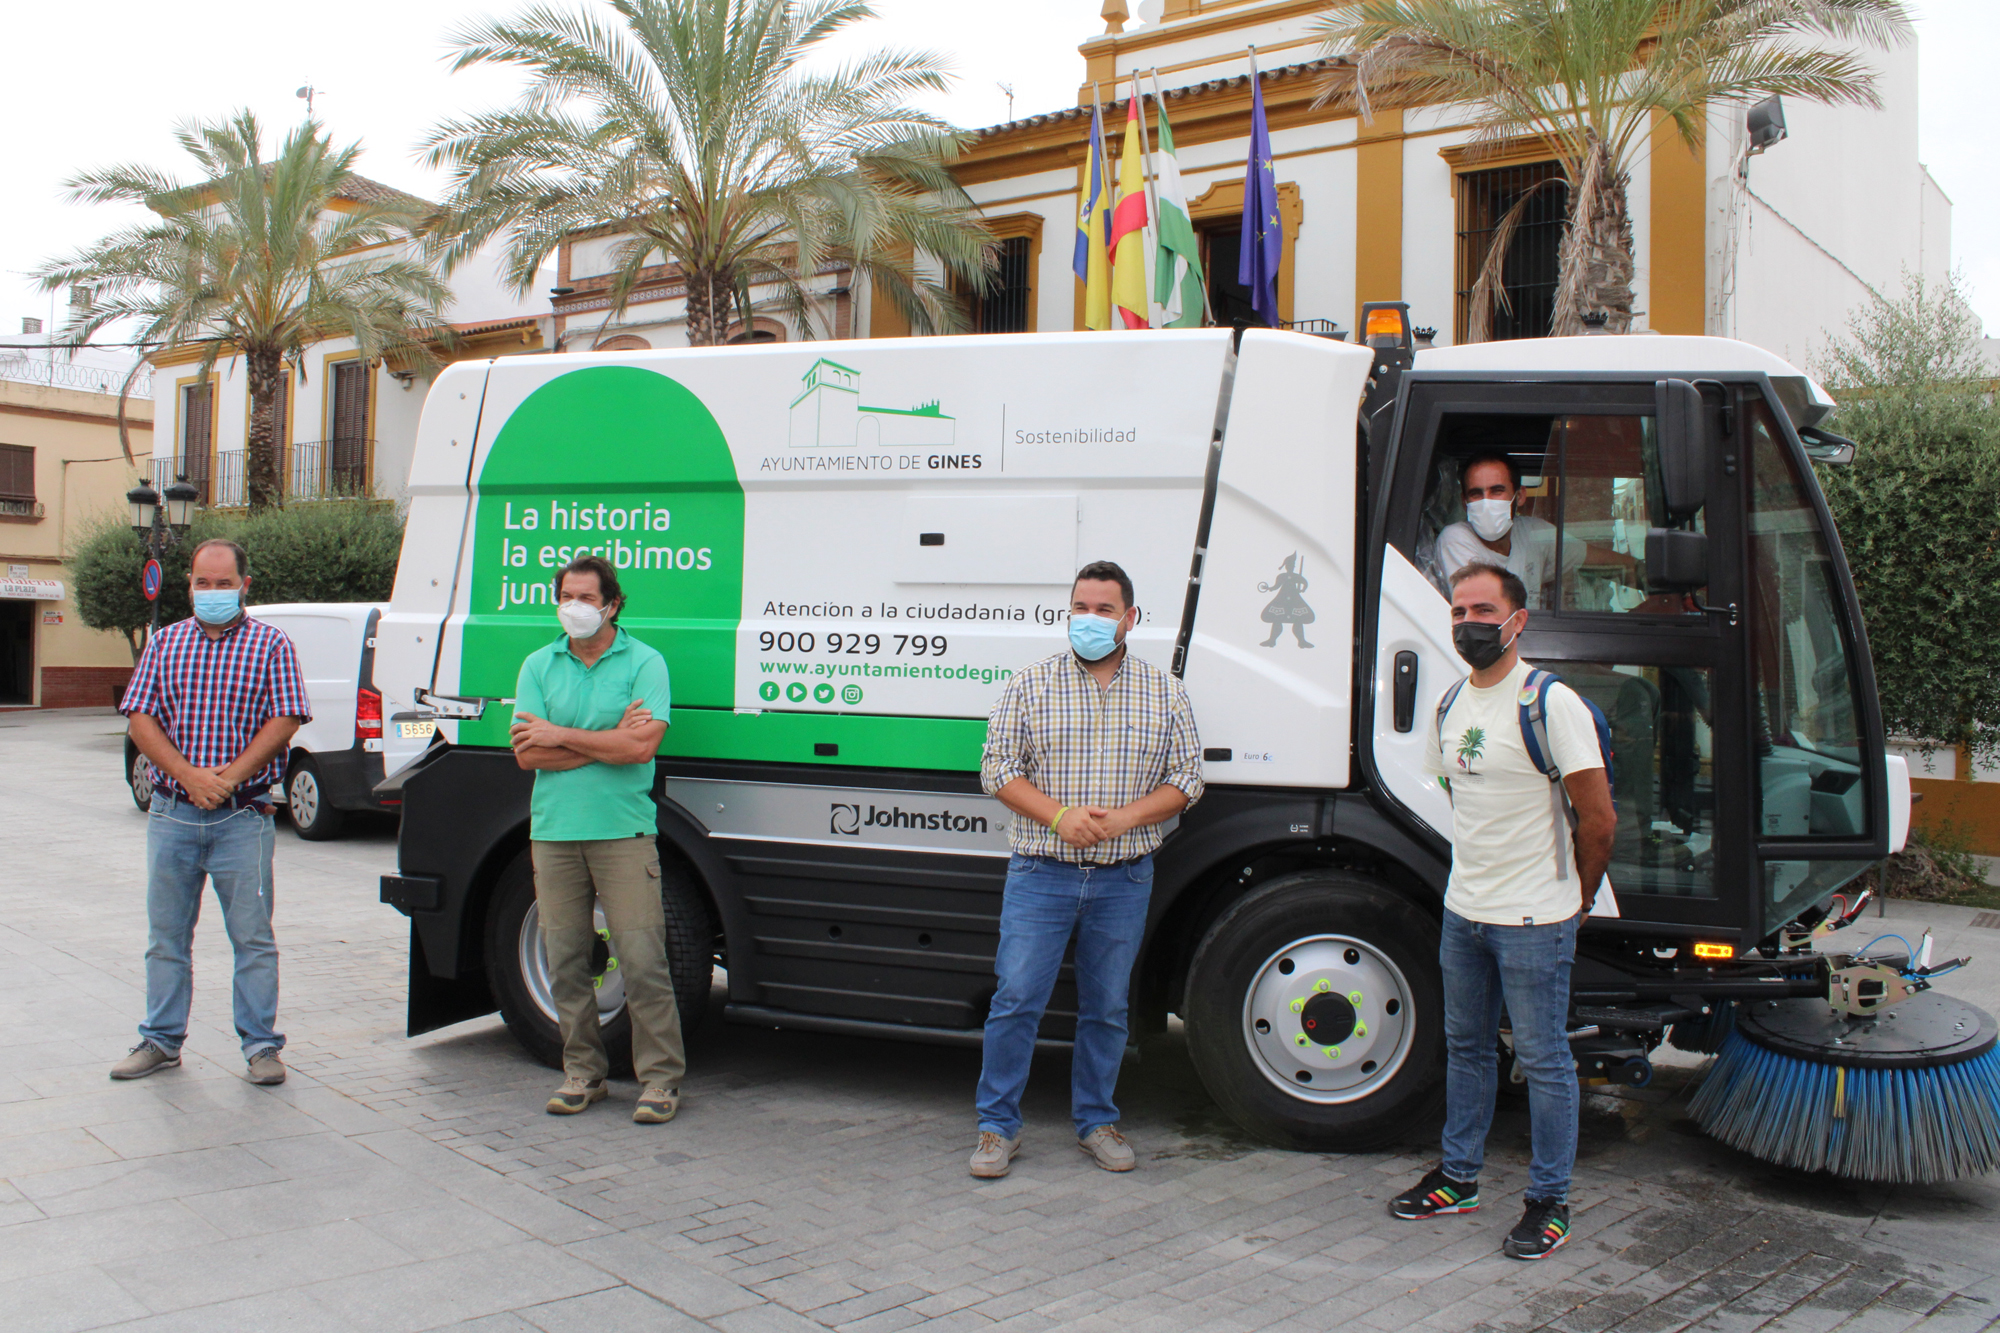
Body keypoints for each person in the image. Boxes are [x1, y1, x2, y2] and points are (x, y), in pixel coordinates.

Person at [1389, 561, 1615, 1261]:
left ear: (1517, 620)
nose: (1467, 623)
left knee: (1545, 1061)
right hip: (1466, 913)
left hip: (1534, 921)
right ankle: (1458, 1176)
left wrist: (1571, 899)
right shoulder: (1452, 703)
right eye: (1458, 611)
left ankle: (1550, 1201)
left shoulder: (1551, 704)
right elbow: (1459, 796)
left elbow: (1598, 819)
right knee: (1466, 1049)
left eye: (1482, 610)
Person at [971, 560, 1203, 1178]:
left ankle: (1096, 1120)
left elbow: (1187, 778)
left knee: (1106, 1008)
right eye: (1080, 607)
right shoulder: (1030, 685)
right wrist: (1058, 816)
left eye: (1103, 610)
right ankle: (997, 1128)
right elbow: (996, 769)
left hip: (1122, 878)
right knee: (1017, 999)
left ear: (1130, 619)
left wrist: (1127, 818)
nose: (1089, 619)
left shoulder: (1166, 691)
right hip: (1041, 872)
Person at [114, 539, 311, 1085]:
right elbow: (141, 720)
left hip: (241, 819)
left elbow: (286, 719)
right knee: (167, 937)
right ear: (190, 584)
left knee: (252, 939)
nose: (213, 592)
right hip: (173, 814)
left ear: (245, 585)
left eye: (224, 584)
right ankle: (160, 1040)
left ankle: (261, 1047)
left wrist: (225, 780)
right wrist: (190, 777)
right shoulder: (166, 643)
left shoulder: (272, 645)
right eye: (204, 583)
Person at [510, 554, 684, 1123]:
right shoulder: (538, 665)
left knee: (641, 960)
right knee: (566, 959)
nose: (575, 608)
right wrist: (603, 738)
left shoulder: (645, 663)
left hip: (623, 833)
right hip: (555, 833)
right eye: (568, 597)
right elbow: (526, 754)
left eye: (588, 598)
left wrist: (560, 734)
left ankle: (659, 1081)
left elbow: (639, 749)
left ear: (612, 604)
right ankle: (584, 1073)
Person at [1433, 454, 1582, 610]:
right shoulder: (1455, 539)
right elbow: (1486, 612)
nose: (1487, 503)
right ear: (1465, 502)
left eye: (1497, 491)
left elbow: (1595, 558)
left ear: (1519, 496)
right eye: (1476, 494)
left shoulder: (1531, 531)